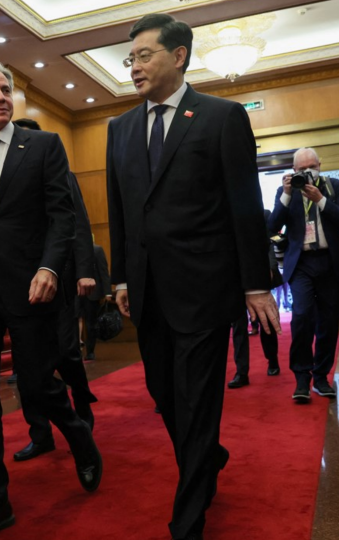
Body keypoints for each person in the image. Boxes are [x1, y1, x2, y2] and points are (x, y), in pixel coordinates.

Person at [106, 14, 279, 540]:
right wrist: (120, 278)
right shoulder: (120, 128)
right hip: (148, 288)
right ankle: (209, 456)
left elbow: (244, 206)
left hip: (206, 287)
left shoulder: (220, 117)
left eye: (144, 55)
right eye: (130, 58)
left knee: (199, 399)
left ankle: (189, 518)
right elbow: (119, 211)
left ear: (178, 56)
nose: (134, 66)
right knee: (164, 393)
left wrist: (255, 284)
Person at [0, 58, 102, 540]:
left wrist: (51, 266)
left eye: (5, 89)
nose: (0, 96)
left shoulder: (44, 146)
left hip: (33, 287)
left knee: (35, 386)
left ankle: (77, 432)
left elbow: (63, 215)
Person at [10, 117, 99, 463]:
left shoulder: (61, 171)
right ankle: (40, 433)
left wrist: (85, 271)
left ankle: (82, 412)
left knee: (65, 351)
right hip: (19, 279)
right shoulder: (6, 177)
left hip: (59, 275)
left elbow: (77, 221)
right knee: (27, 361)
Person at [270, 147, 339, 402]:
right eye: (301, 168)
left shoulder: (334, 186)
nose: (307, 172)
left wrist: (320, 199)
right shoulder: (286, 192)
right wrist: (286, 194)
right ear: (293, 171)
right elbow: (272, 226)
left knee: (329, 322)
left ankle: (320, 376)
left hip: (330, 262)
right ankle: (301, 378)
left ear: (320, 164)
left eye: (311, 166)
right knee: (301, 316)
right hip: (302, 264)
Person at [229, 228, 281, 388]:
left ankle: (272, 360)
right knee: (238, 326)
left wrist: (271, 268)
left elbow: (269, 244)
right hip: (234, 279)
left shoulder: (260, 216)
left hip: (256, 277)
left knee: (266, 322)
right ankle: (241, 372)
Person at [80, 241, 111, 361]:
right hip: (76, 294)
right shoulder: (72, 251)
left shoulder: (97, 250)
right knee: (74, 321)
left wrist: (108, 292)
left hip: (92, 294)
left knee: (90, 324)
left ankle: (90, 351)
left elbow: (103, 272)